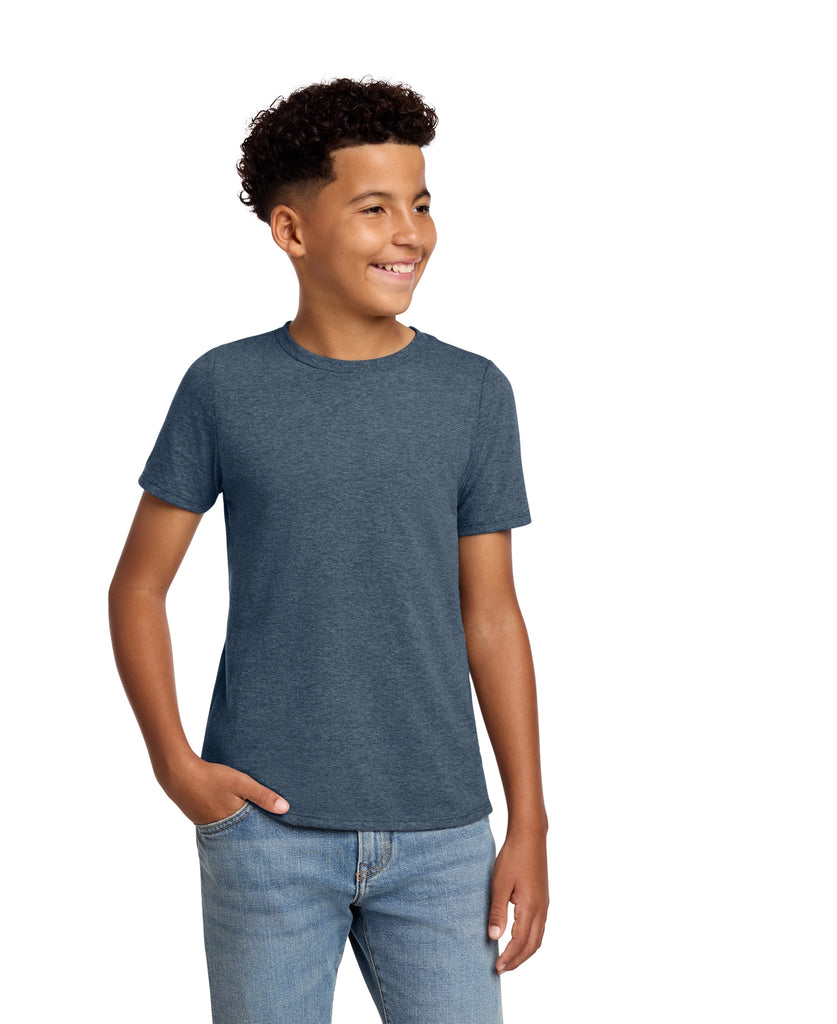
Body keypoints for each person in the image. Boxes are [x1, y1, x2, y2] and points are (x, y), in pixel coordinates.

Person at [108, 76, 549, 1024]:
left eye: (421, 203)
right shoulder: (224, 387)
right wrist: (176, 766)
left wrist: (530, 820)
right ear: (292, 230)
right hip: (265, 833)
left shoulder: (474, 393)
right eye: (374, 207)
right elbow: (138, 588)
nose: (410, 232)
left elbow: (492, 615)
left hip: (443, 840)